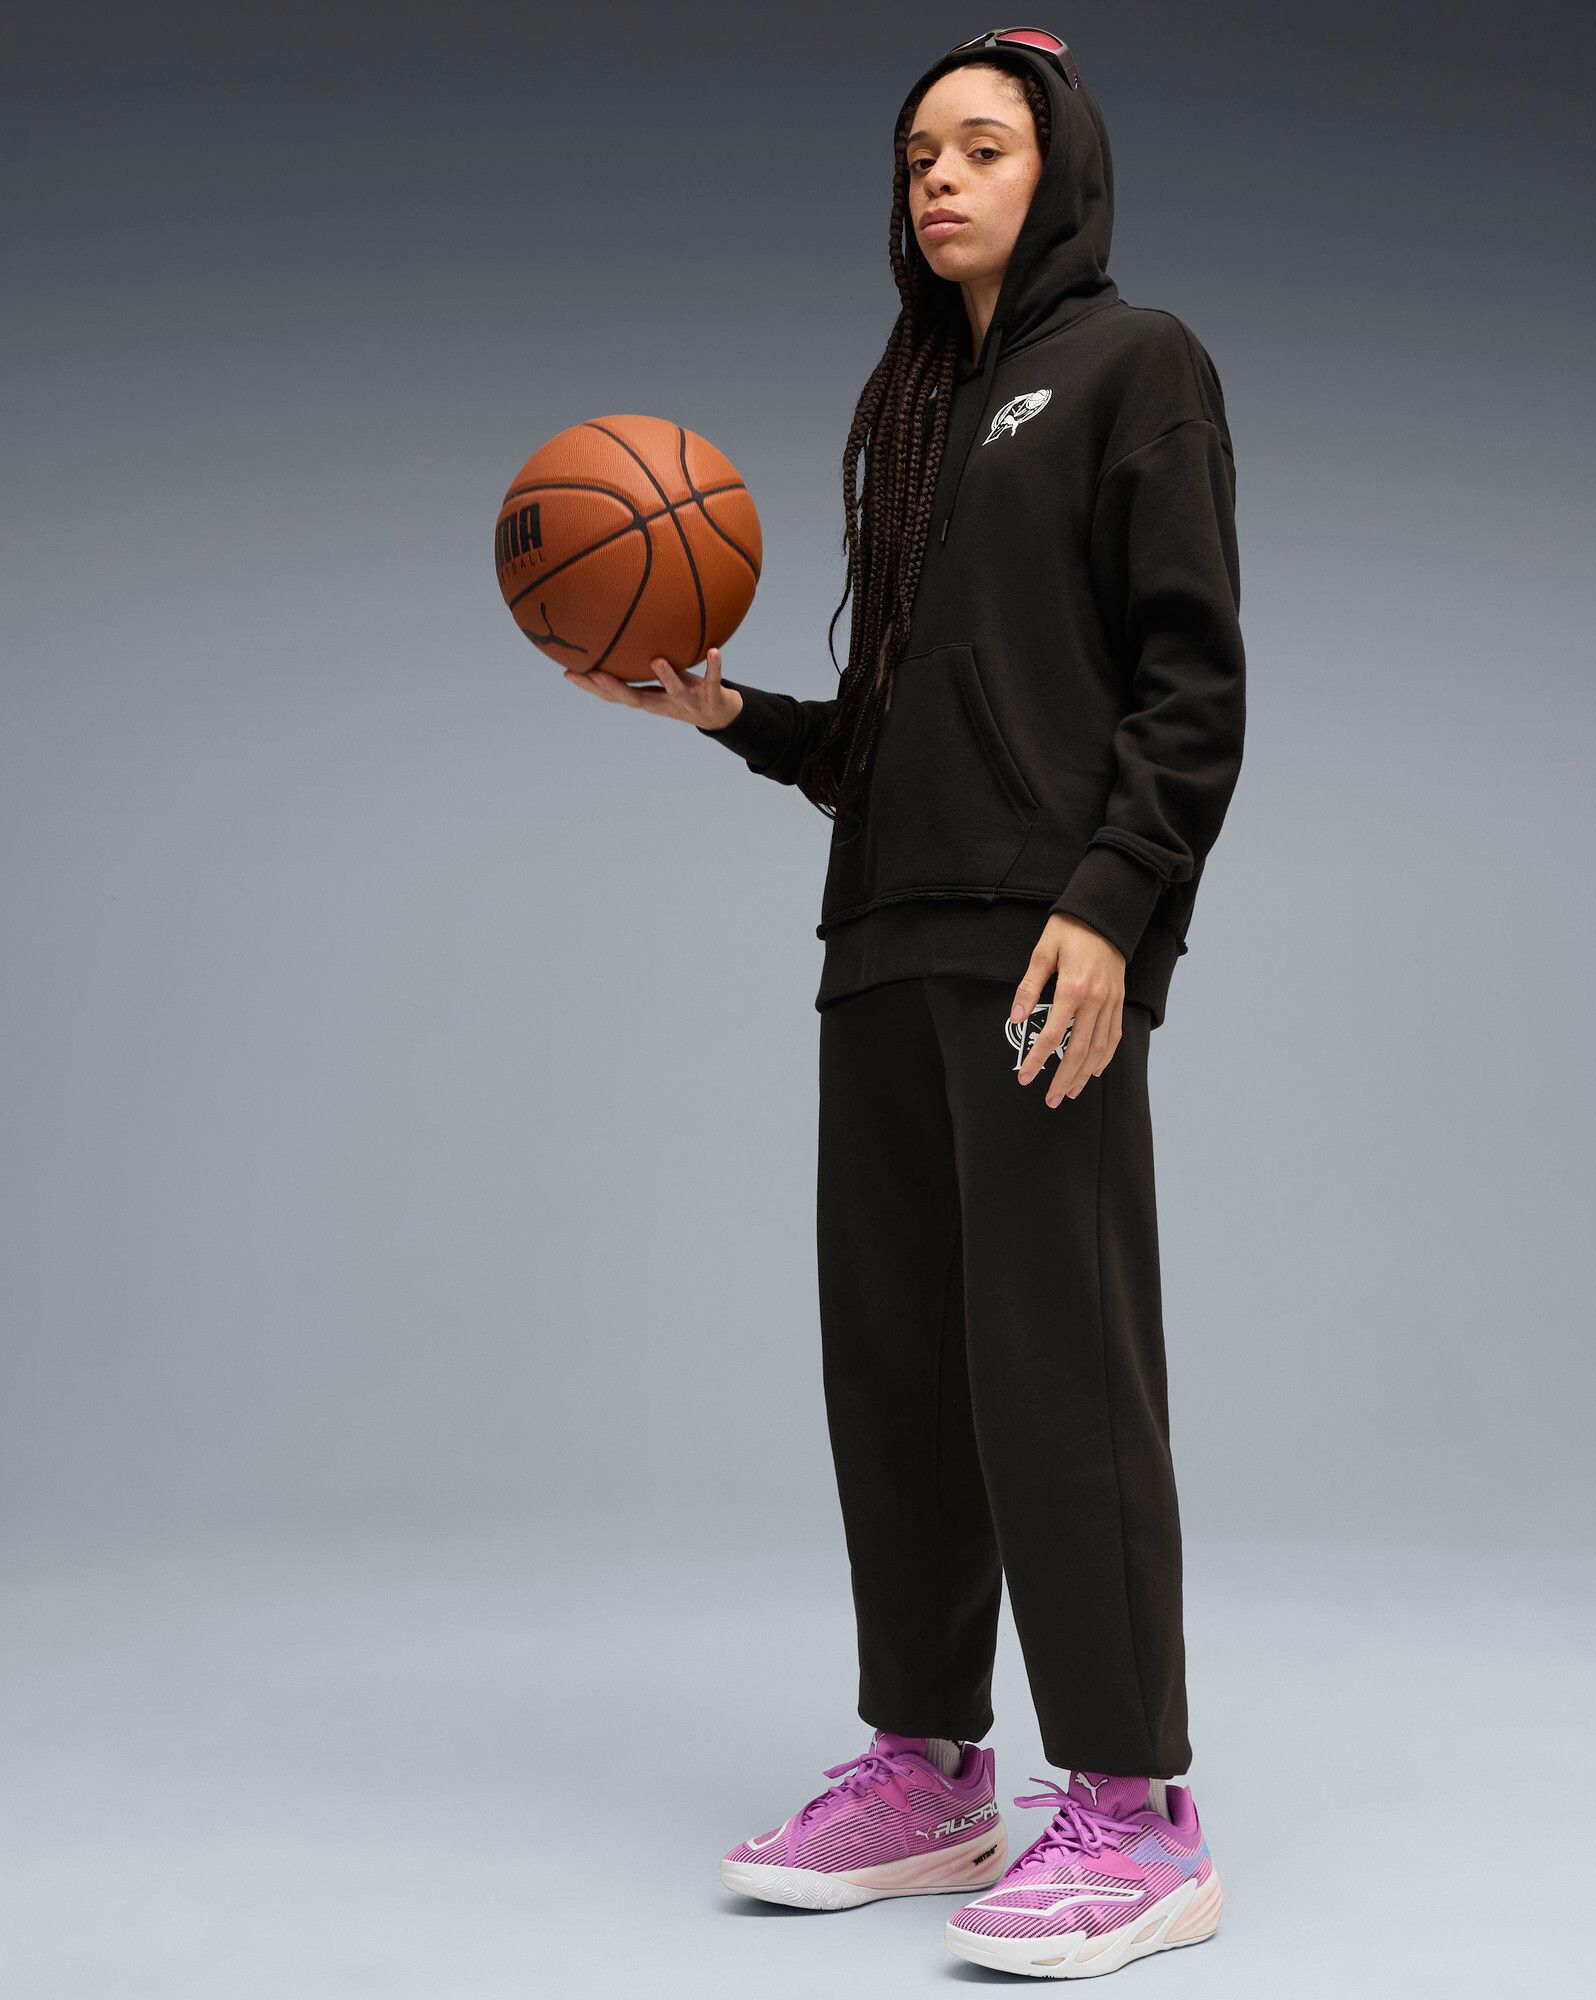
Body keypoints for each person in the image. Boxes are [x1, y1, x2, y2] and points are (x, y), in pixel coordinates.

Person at [568, 27, 1244, 1980]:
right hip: (877, 939)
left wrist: (1114, 910)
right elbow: (898, 731)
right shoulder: (919, 415)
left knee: (1058, 1371)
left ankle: (1136, 1812)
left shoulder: (1135, 366)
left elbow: (1191, 681)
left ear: (1064, 171)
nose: (937, 177)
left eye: (981, 147)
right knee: (899, 1377)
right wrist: (729, 713)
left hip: (1040, 941)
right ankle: (932, 1768)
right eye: (915, 154)